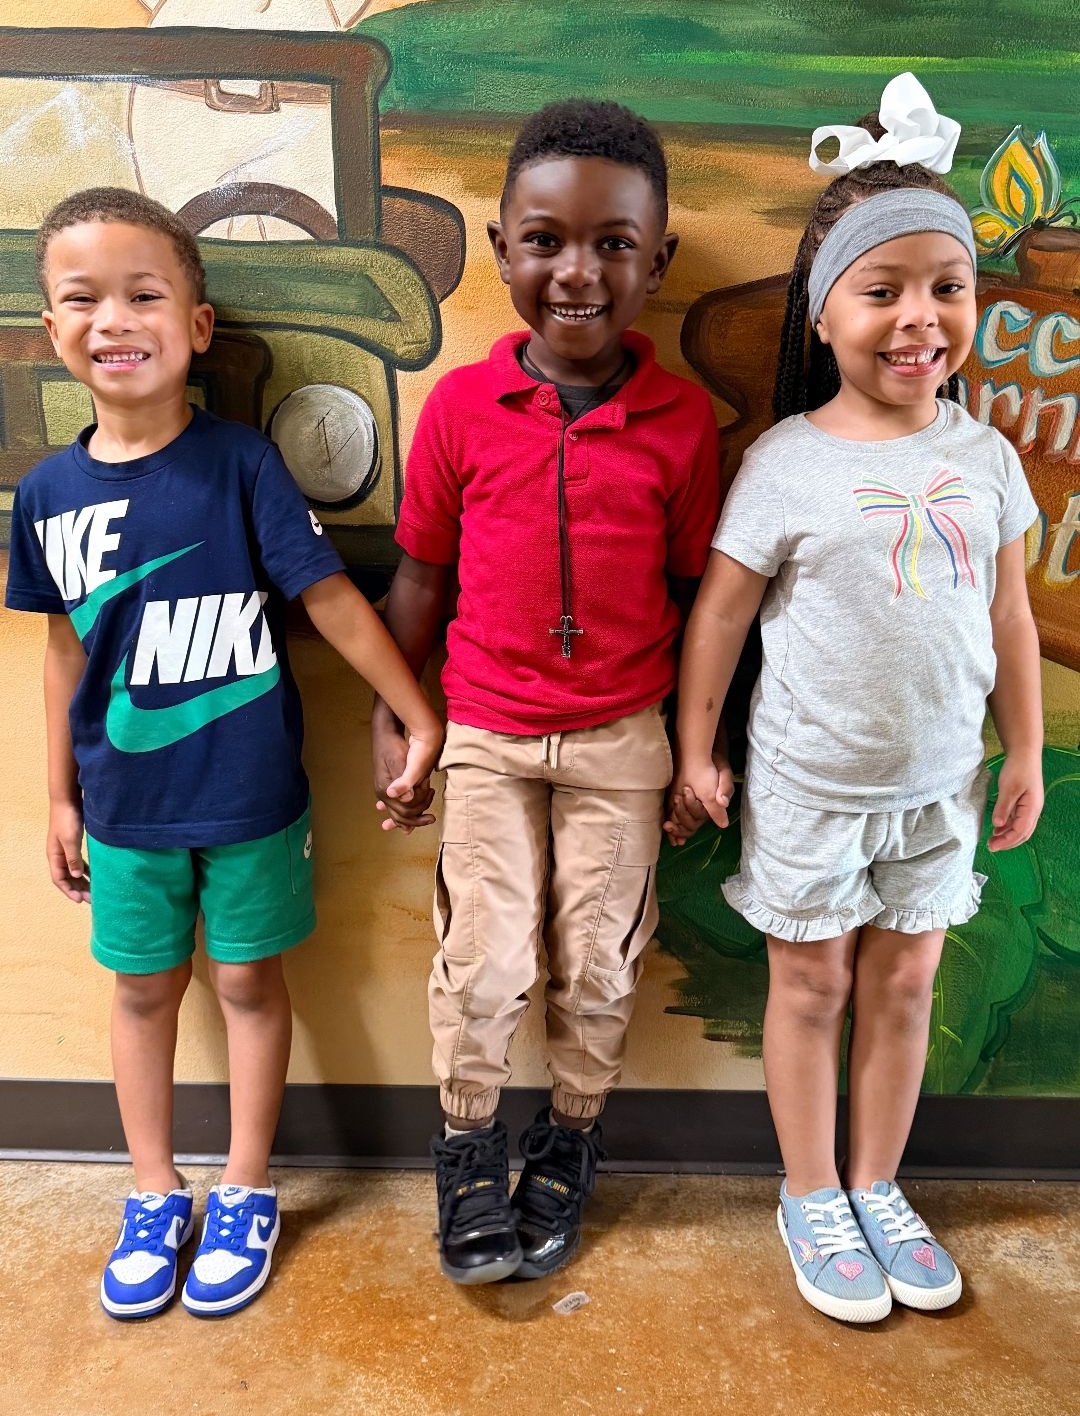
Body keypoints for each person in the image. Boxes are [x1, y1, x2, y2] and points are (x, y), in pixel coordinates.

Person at [5, 188, 443, 1319]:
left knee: (249, 979)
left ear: (197, 327)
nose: (115, 318)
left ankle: (247, 1185)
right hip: (123, 805)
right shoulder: (46, 494)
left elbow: (334, 604)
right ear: (51, 331)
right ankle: (154, 1192)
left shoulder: (242, 463)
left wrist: (419, 710)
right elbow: (64, 653)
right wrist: (56, 796)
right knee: (143, 990)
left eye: (145, 294)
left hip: (251, 798)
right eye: (83, 299)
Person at [668, 74, 1043, 1323]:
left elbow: (1009, 619)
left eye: (948, 286)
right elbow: (720, 615)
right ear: (822, 317)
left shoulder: (983, 458)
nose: (920, 317)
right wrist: (694, 746)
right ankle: (812, 1192)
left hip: (940, 788)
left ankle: (880, 1184)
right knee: (814, 986)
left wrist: (1024, 751)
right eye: (883, 291)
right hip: (810, 789)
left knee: (905, 988)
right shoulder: (786, 462)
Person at [371, 100, 720, 1284]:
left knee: (600, 958)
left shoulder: (680, 425)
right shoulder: (463, 410)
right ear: (500, 246)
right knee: (484, 959)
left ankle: (568, 1142)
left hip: (626, 744)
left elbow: (703, 600)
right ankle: (468, 1147)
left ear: (658, 258)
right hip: (484, 734)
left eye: (614, 243)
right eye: (546, 241)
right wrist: (396, 718)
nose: (578, 272)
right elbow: (421, 574)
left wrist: (698, 747)